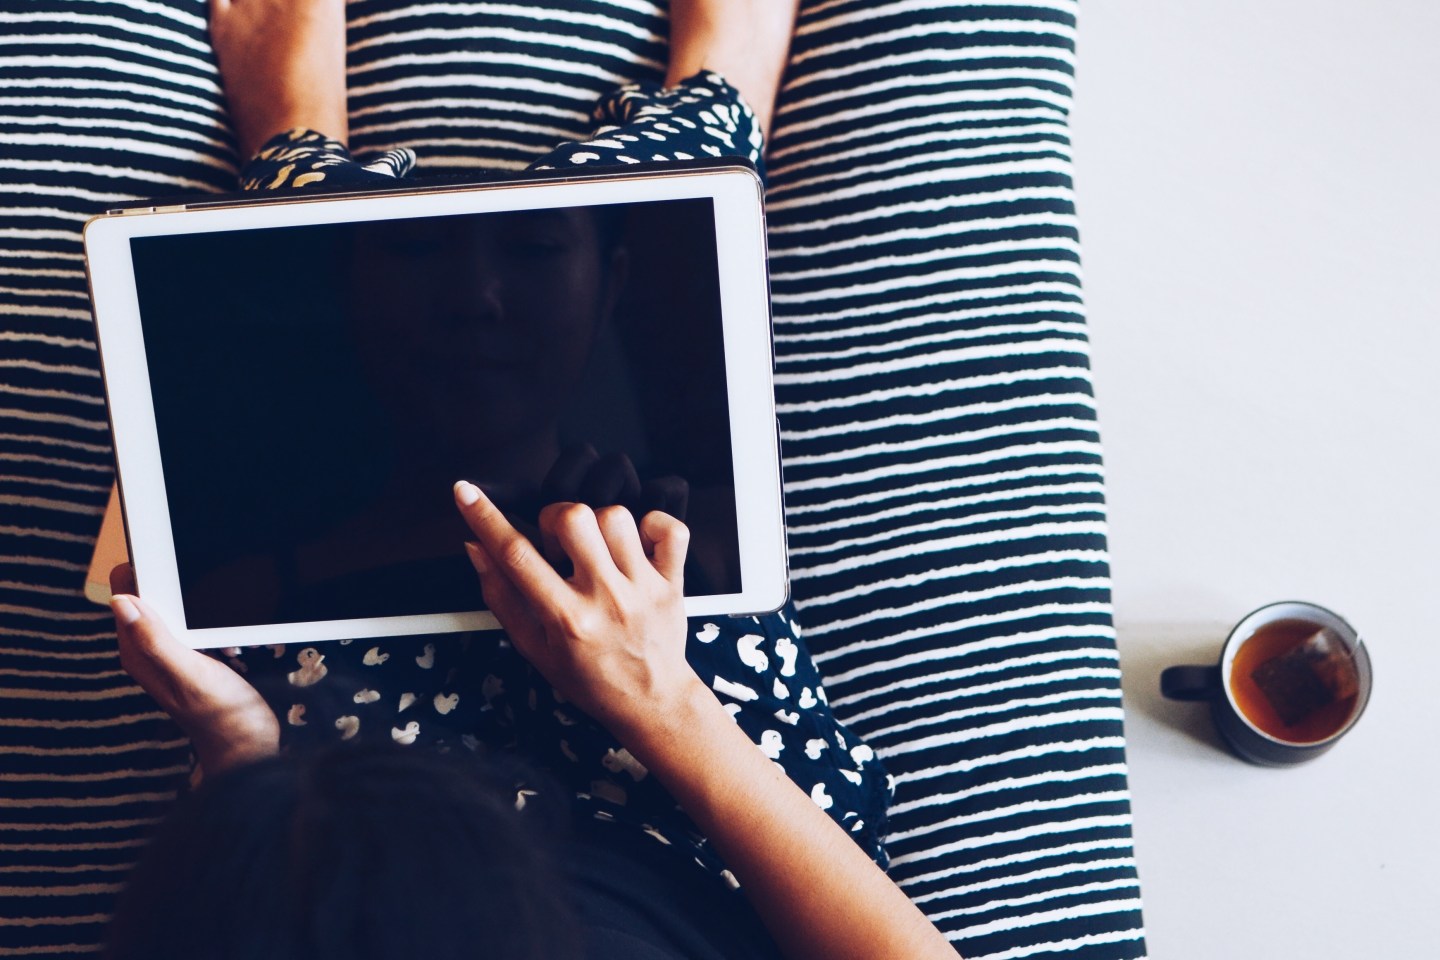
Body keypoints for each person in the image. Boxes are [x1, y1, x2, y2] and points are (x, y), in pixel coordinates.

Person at [103, 1, 958, 959]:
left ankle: (301, 151)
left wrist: (239, 755)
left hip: (373, 818)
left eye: (532, 257)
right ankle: (721, 98)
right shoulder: (692, 531)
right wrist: (658, 698)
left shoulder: (261, 571)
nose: (476, 302)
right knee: (675, 541)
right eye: (419, 256)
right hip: (681, 823)